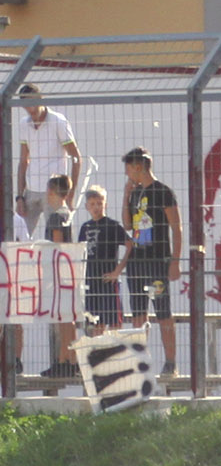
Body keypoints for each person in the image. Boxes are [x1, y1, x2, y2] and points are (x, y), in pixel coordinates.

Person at [120, 147, 182, 379]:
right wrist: (126, 195)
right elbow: (128, 225)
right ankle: (140, 364)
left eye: (128, 168)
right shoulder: (135, 192)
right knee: (138, 313)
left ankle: (171, 363)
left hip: (157, 261)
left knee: (163, 311)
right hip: (136, 262)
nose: (127, 174)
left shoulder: (163, 192)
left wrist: (174, 261)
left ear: (138, 167)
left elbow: (176, 227)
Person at [16, 85, 82, 218]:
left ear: (41, 99)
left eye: (32, 102)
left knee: (56, 235)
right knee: (20, 235)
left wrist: (70, 194)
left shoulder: (58, 121)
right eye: (26, 105)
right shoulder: (24, 124)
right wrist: (20, 197)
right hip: (31, 190)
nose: (31, 109)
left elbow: (76, 158)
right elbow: (23, 161)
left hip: (54, 191)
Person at [76, 185, 128, 332]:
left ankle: (113, 352)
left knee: (114, 323)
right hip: (91, 281)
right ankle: (98, 352)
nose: (96, 207)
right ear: (87, 206)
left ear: (106, 204)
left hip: (109, 280)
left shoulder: (113, 225)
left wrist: (117, 271)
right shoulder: (85, 227)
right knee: (94, 323)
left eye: (99, 203)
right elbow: (79, 252)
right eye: (92, 204)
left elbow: (130, 246)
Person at [41, 174, 76, 376]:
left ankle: (67, 361)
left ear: (51, 191)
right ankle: (65, 360)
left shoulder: (56, 216)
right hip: (66, 274)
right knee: (65, 319)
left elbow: (57, 246)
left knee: (64, 320)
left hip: (59, 275)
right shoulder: (65, 213)